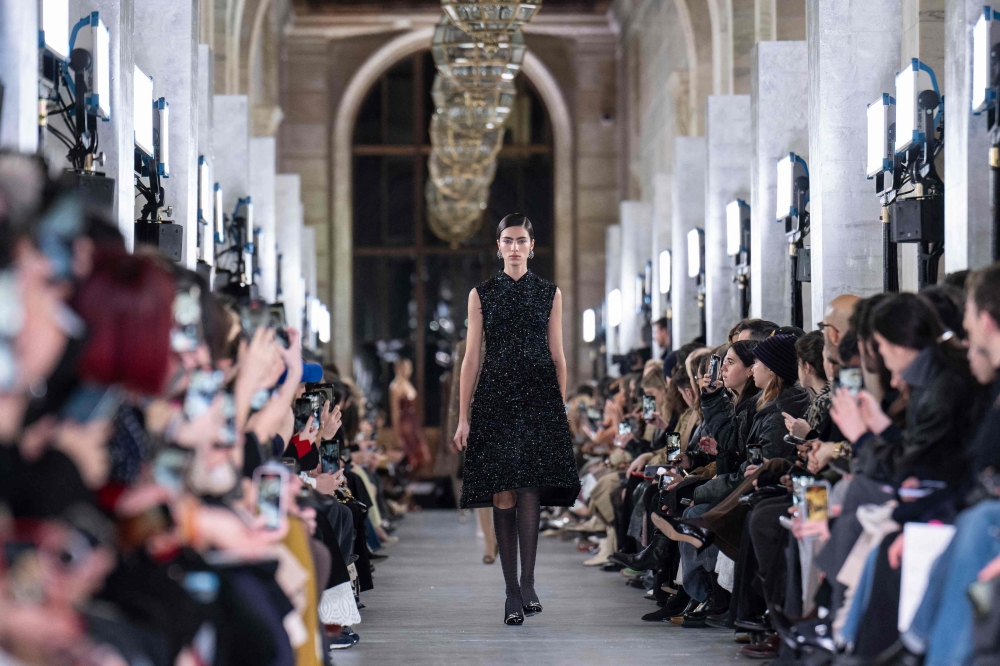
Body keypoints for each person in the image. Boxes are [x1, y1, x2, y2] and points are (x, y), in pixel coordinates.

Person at [453, 213, 581, 626]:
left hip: (539, 400)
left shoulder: (549, 293)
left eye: (520, 240)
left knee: (530, 492)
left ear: (531, 245)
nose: (513, 247)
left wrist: (557, 408)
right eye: (507, 240)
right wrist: (462, 417)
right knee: (502, 494)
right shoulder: (482, 294)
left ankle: (527, 582)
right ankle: (510, 591)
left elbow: (558, 355)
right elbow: (471, 358)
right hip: (494, 401)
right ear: (498, 246)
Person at [389, 357, 431, 472]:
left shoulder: (408, 384)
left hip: (414, 422)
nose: (407, 370)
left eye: (409, 368)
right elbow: (395, 411)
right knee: (409, 456)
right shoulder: (395, 387)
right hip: (405, 424)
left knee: (420, 456)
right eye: (405, 368)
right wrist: (397, 434)